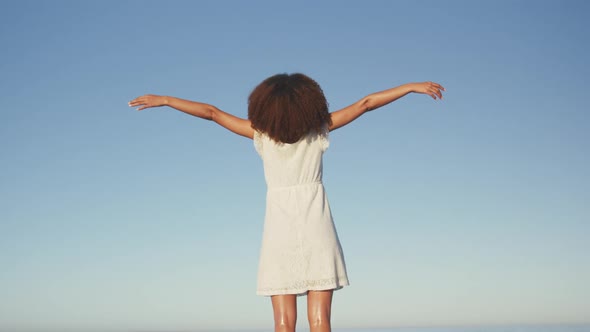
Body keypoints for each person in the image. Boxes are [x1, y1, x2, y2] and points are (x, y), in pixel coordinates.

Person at [129, 74, 444, 332]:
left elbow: (212, 112)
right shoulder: (318, 129)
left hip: (278, 228)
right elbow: (365, 104)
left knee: (283, 324)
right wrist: (410, 87)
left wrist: (167, 100)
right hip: (316, 223)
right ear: (309, 103)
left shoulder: (261, 135)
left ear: (265, 106)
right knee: (321, 321)